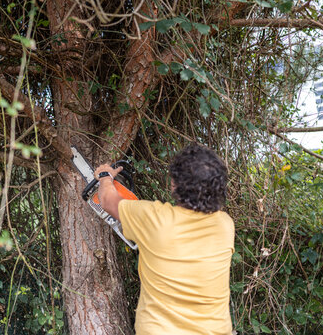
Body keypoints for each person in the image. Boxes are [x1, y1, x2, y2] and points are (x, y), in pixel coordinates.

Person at [94, 142, 234, 335]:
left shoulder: (155, 219)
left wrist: (104, 176)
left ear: (175, 184)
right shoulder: (225, 225)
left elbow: (108, 201)